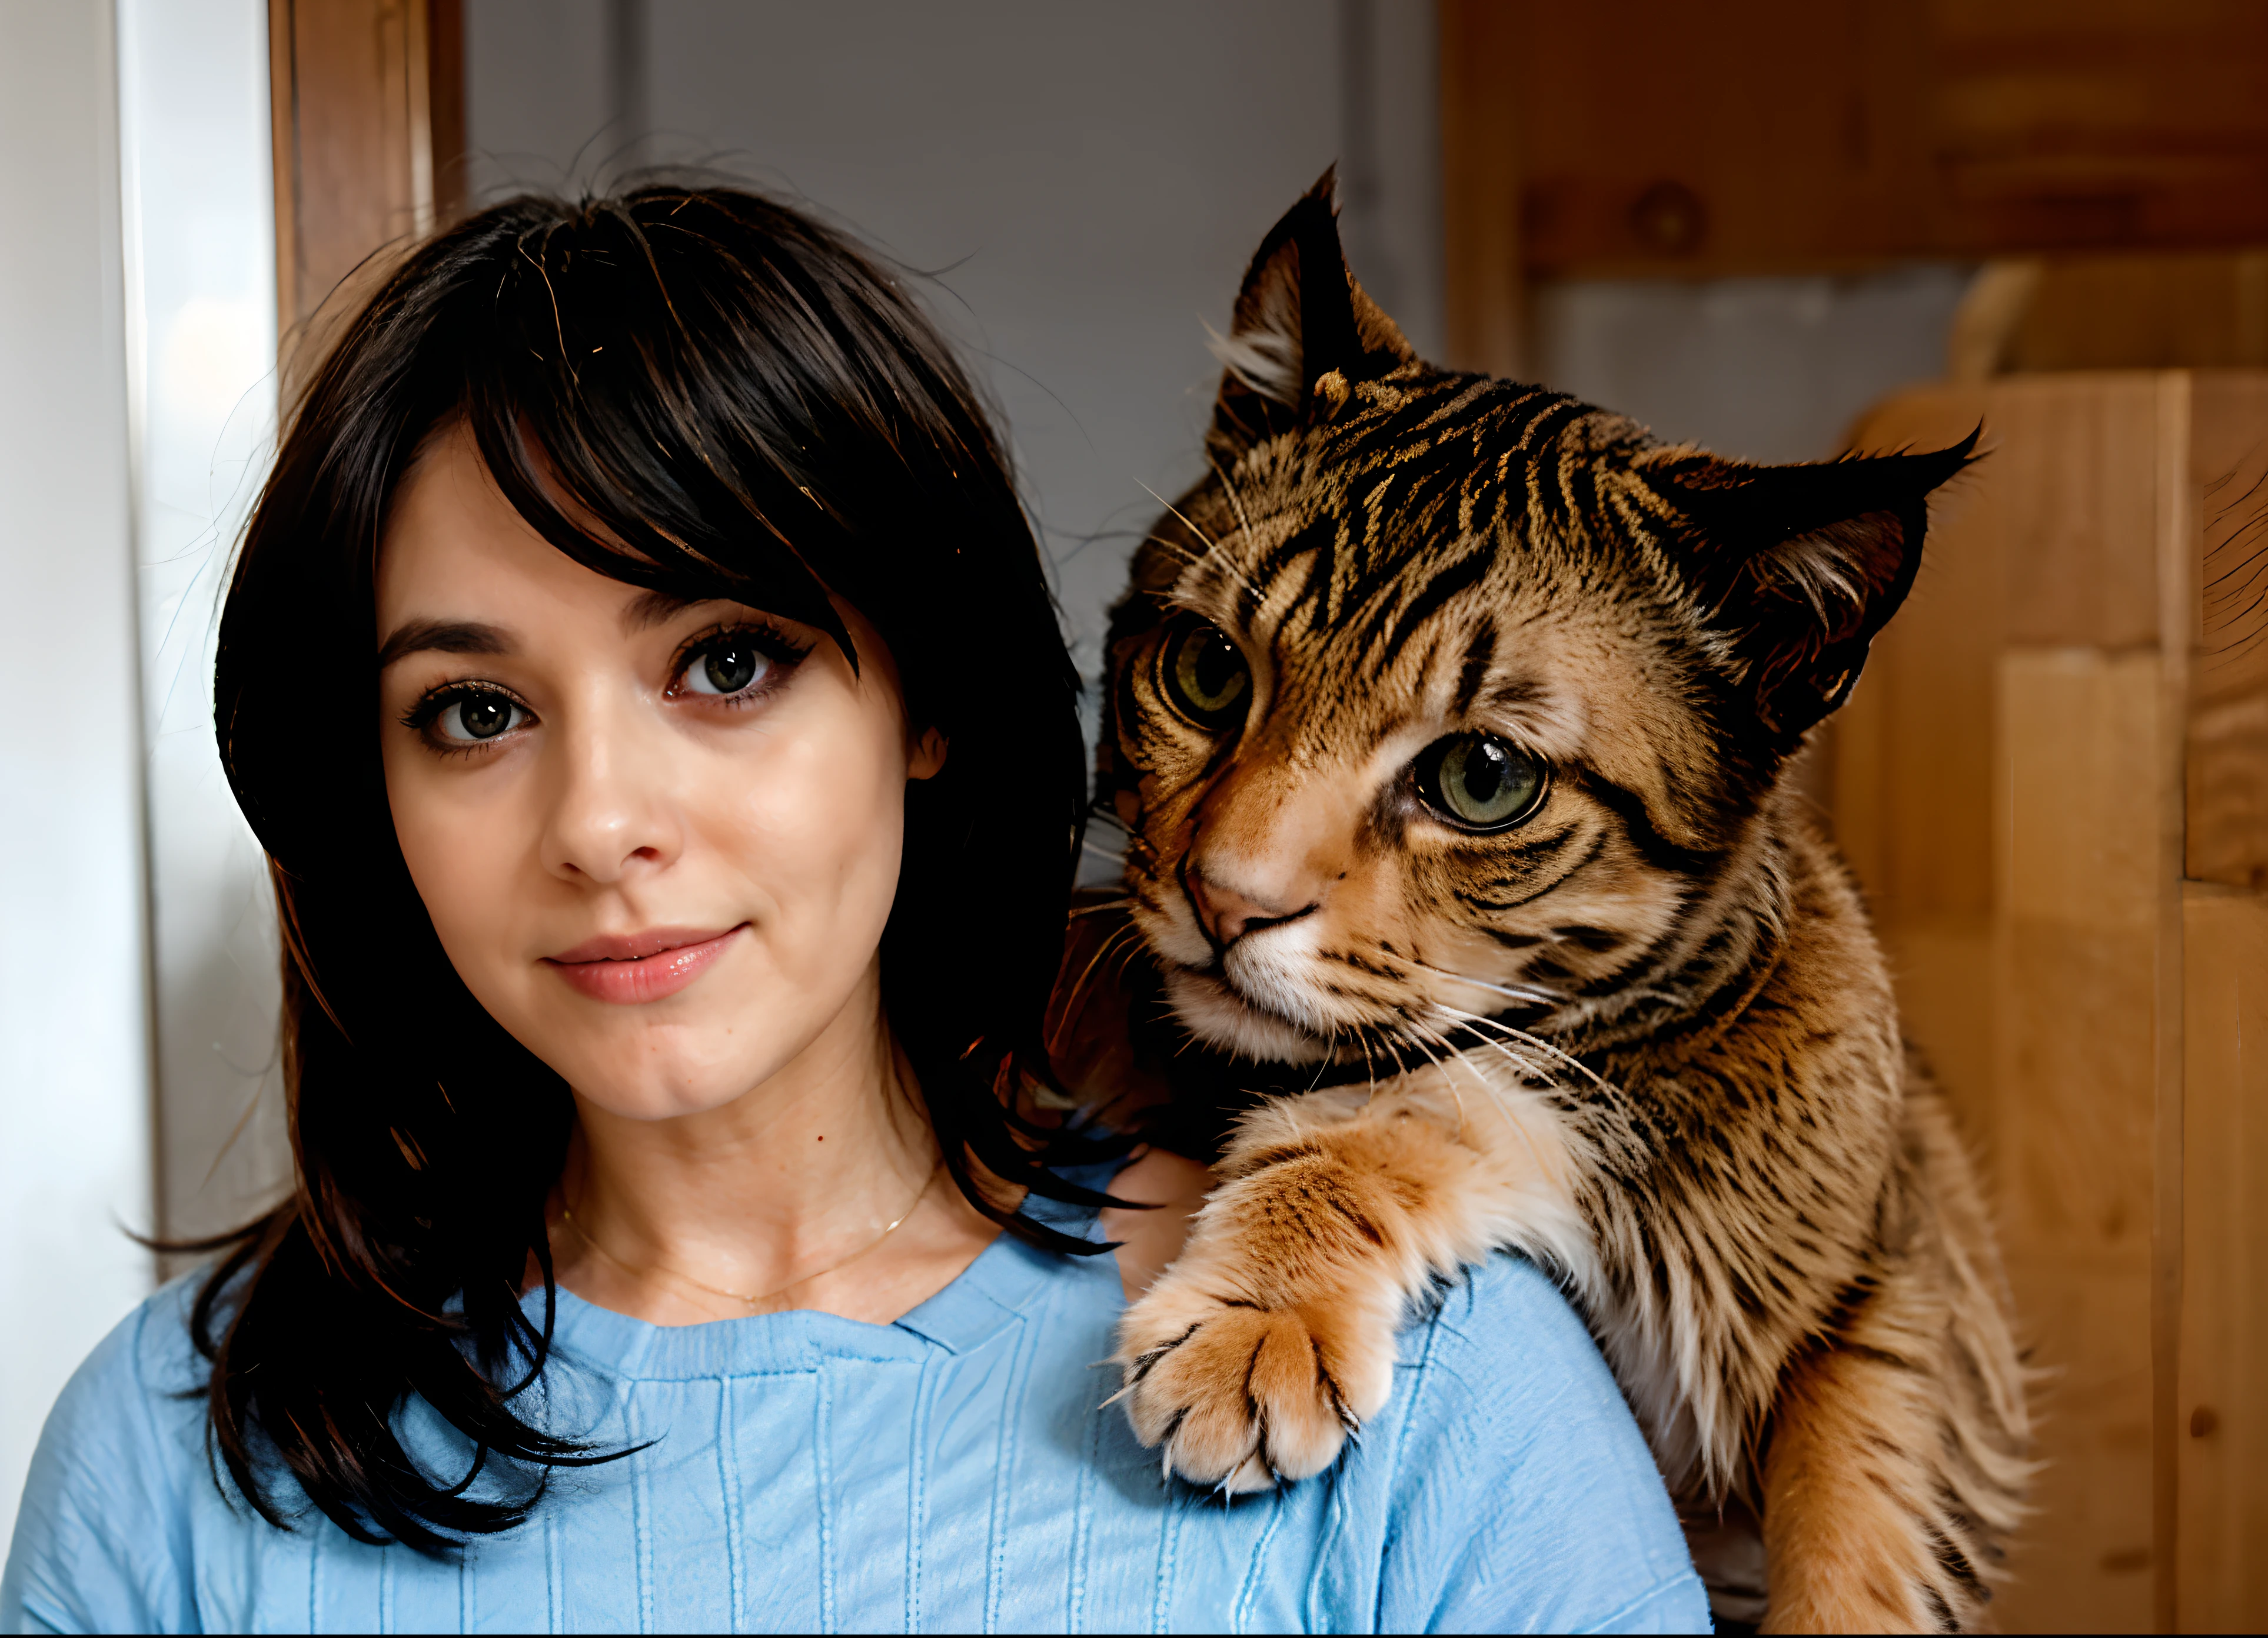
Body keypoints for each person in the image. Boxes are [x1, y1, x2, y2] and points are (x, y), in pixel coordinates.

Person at [0, 185, 1710, 1634]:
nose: (601, 826)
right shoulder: (170, 1463)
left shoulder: (1417, 1378)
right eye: (474, 711)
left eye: (726, 664)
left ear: (927, 701)